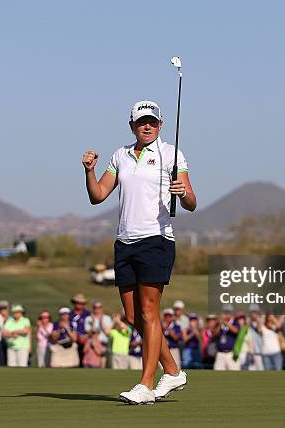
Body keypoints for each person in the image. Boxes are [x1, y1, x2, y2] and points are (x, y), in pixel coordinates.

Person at [83, 99, 196, 404]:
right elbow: (98, 196)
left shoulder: (171, 153)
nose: (148, 126)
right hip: (124, 241)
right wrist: (89, 171)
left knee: (149, 312)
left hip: (156, 239)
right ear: (132, 125)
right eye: (141, 122)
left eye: (153, 122)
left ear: (160, 124)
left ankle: (145, 385)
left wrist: (182, 192)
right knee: (134, 316)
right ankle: (172, 371)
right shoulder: (120, 155)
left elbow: (191, 202)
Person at [84, 301, 112, 368]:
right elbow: (88, 333)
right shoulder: (88, 319)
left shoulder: (107, 318)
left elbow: (108, 333)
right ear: (93, 308)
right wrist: (93, 324)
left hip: (104, 344)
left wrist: (101, 321)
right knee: (93, 364)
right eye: (95, 307)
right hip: (93, 345)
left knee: (103, 365)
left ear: (102, 308)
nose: (97, 309)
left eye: (99, 307)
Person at [213, 305, 240, 371]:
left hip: (230, 353)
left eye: (228, 313)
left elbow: (236, 331)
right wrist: (220, 324)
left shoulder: (235, 322)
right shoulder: (219, 323)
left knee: (234, 373)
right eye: (225, 313)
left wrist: (226, 323)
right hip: (220, 353)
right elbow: (214, 334)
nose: (226, 315)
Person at [69, 293, 90, 367]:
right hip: (73, 340)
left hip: (86, 340)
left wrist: (85, 337)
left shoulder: (88, 314)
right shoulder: (70, 314)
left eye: (81, 303)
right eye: (77, 302)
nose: (79, 304)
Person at [246, 304, 264, 371]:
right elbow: (245, 331)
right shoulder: (248, 322)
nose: (254, 314)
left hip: (260, 353)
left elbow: (260, 330)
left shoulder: (261, 320)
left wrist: (257, 319)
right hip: (251, 353)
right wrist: (249, 321)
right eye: (252, 312)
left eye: (255, 312)